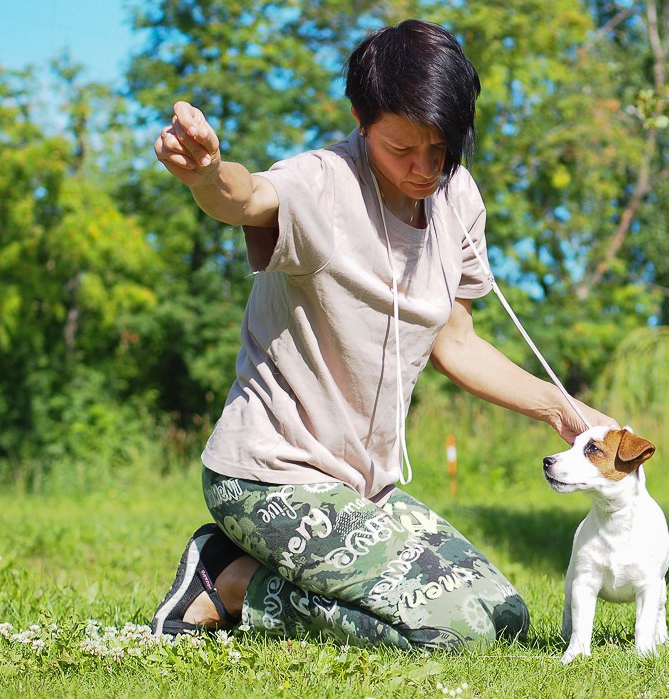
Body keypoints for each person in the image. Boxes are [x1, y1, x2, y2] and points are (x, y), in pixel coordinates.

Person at [150, 19, 616, 651]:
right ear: (360, 119)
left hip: (361, 486)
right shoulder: (323, 182)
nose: (425, 169)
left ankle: (252, 564)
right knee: (451, 632)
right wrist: (206, 173)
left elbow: (455, 341)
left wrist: (563, 410)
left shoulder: (458, 198)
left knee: (503, 620)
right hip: (267, 475)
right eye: (403, 150)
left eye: (442, 147)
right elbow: (249, 196)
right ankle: (226, 583)